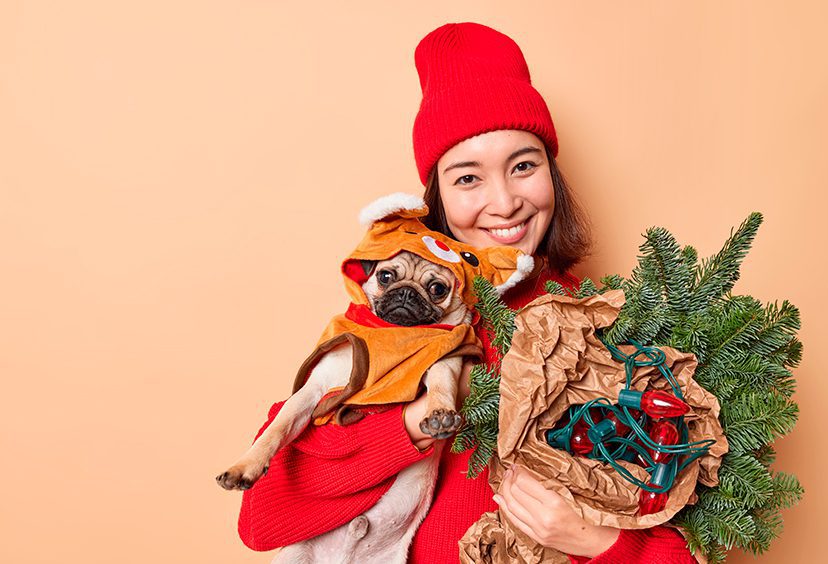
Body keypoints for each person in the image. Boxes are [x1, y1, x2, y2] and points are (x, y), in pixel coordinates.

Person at [237, 22, 697, 563]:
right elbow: (261, 520)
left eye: (523, 166)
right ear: (435, 198)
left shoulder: (614, 333)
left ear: (552, 172)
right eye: (468, 178)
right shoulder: (396, 322)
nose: (504, 203)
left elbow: (687, 541)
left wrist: (598, 541)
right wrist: (409, 428)